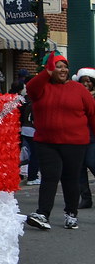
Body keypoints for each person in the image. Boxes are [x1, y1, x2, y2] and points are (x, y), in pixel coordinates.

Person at [25, 53, 95, 231]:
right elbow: (31, 87)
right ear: (50, 70)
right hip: (47, 142)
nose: (63, 70)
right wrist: (47, 72)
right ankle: (42, 214)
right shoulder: (41, 88)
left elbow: (92, 114)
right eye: (58, 67)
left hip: (75, 143)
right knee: (49, 176)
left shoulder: (79, 89)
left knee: (70, 178)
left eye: (65, 67)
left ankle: (71, 214)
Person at [73, 67, 95, 209]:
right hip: (77, 136)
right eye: (83, 81)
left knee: (92, 163)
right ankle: (85, 198)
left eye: (89, 81)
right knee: (79, 169)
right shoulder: (76, 96)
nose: (86, 84)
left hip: (92, 136)